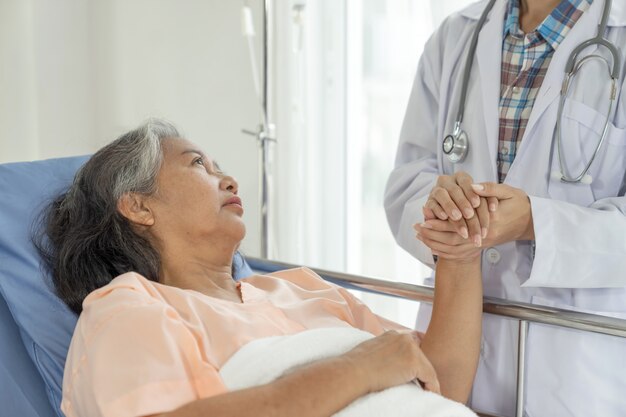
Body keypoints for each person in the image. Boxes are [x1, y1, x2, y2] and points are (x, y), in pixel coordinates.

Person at [36, 119, 482, 417]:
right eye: (198, 165)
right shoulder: (129, 307)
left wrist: (461, 253)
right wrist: (357, 369)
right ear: (138, 206)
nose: (228, 179)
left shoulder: (302, 288)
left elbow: (441, 383)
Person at [384, 0, 626, 416]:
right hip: (453, 356)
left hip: (576, 369)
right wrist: (442, 210)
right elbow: (408, 180)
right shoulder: (455, 36)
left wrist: (535, 221)